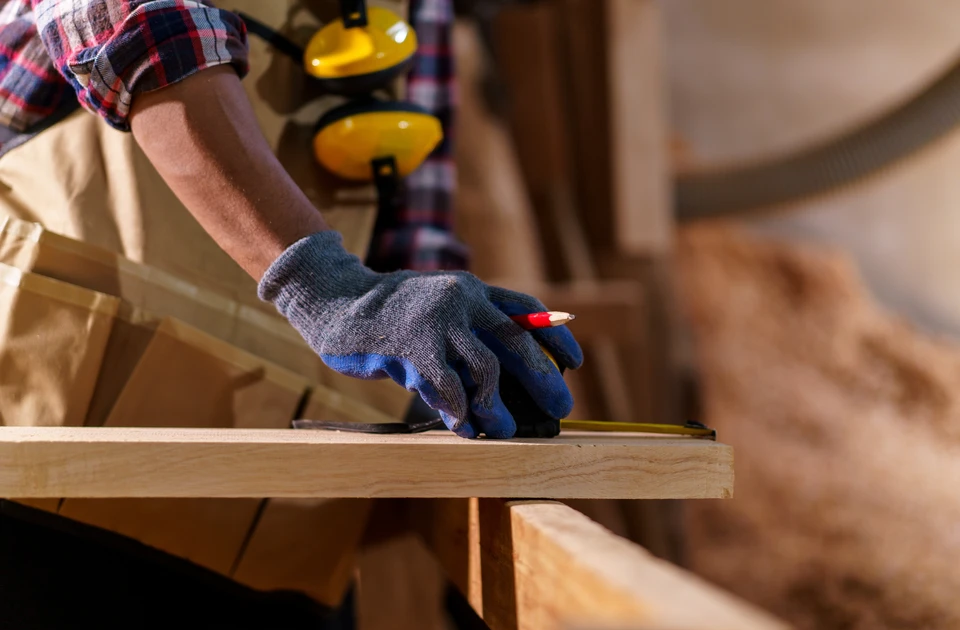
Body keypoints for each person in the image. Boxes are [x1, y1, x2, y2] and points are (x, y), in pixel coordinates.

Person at [2, 0, 582, 438]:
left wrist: (445, 359)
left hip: (271, 446)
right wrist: (329, 289)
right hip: (56, 407)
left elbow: (406, 196)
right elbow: (144, 37)